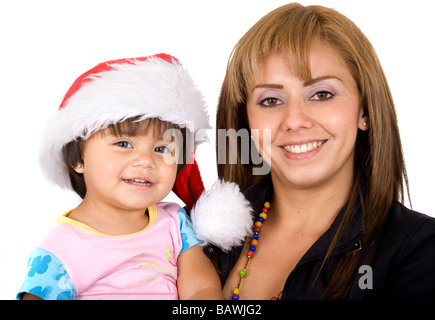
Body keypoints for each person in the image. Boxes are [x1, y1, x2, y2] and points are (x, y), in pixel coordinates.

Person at [210, 3, 435, 299]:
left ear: (364, 111)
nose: (294, 121)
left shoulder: (420, 250)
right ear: (246, 121)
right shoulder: (188, 235)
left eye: (322, 94)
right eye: (271, 100)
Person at [17, 53, 228, 300]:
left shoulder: (176, 223)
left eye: (162, 149)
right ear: (78, 159)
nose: (146, 160)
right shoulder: (58, 250)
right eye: (124, 143)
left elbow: (202, 289)